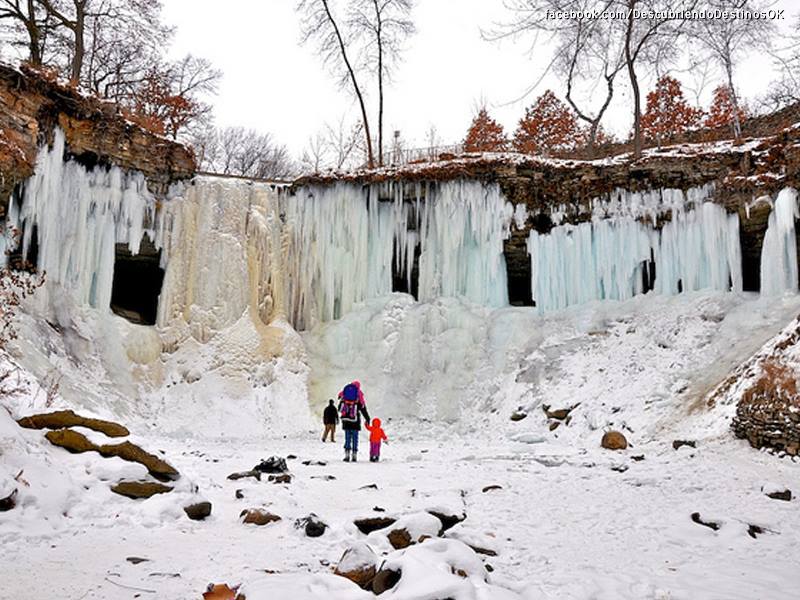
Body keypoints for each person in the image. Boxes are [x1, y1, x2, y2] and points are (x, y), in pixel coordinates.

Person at [338, 381, 370, 462]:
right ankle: (354, 455)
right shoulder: (359, 397)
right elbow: (363, 409)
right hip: (355, 421)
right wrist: (367, 418)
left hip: (346, 421)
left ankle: (347, 455)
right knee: (355, 438)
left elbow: (339, 408)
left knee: (347, 438)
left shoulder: (344, 396)